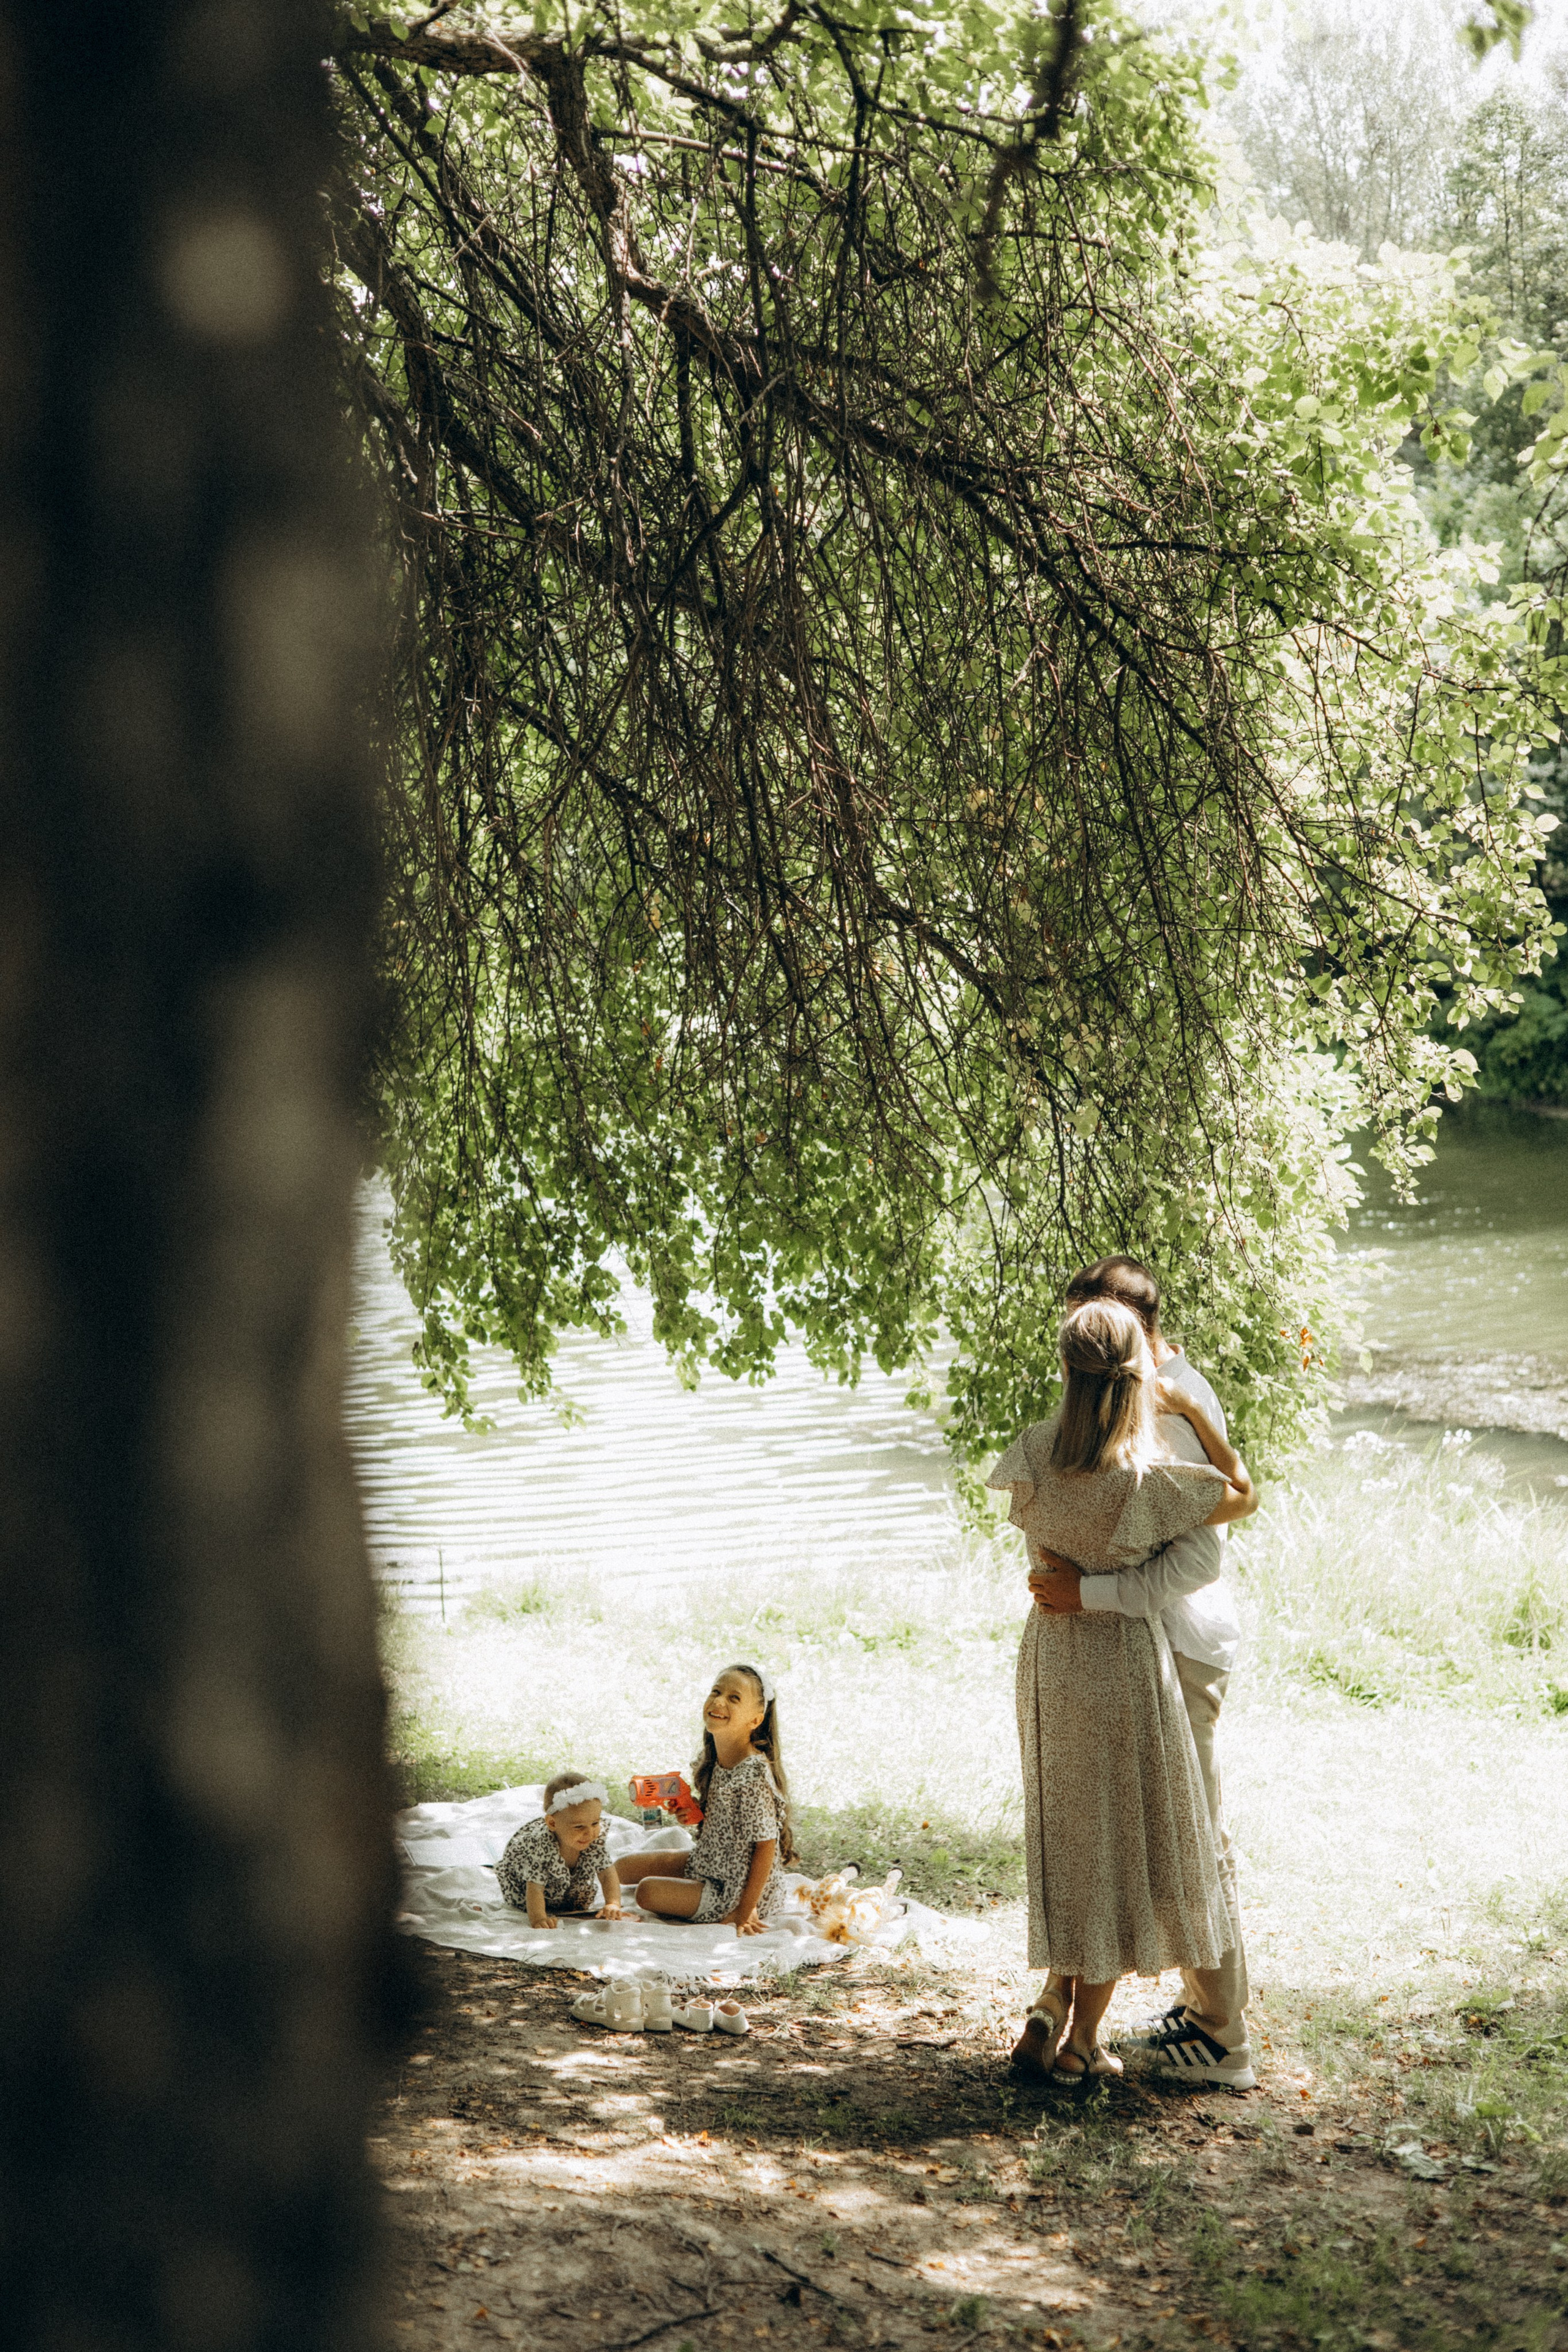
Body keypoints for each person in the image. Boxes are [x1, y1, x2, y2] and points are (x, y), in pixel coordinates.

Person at [990, 1298, 1257, 2078]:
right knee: (1116, 1840)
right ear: (1140, 1371)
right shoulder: (1150, 1475)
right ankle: (1081, 2043)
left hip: (1052, 1655)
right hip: (1124, 1660)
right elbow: (1242, 1492)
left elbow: (1035, 1533)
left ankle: (1051, 1999)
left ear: (1065, 1371)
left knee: (1068, 1829)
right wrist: (1200, 1417)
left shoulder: (1034, 1451)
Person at [617, 1665, 794, 1936]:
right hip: (710, 1861)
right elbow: (724, 1818)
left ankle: (733, 1904)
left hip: (734, 1887)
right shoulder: (717, 1761)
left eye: (734, 1698)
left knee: (647, 1892)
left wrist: (744, 1910)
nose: (719, 1701)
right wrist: (694, 1813)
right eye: (716, 1691)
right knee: (621, 1867)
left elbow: (765, 1847)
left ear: (756, 1721)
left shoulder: (753, 1777)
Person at [496, 1773, 624, 1926]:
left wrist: (613, 1903)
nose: (589, 1832)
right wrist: (539, 1919)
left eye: (595, 1823)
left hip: (564, 1886)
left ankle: (564, 1899)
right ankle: (542, 1909)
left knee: (574, 1901)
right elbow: (535, 1889)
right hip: (527, 1891)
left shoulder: (593, 1842)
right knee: (537, 1895)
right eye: (579, 1826)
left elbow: (607, 1874)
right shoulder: (542, 1847)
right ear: (553, 1824)